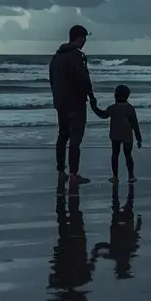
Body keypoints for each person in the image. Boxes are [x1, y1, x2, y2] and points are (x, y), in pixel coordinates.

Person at [49, 24, 101, 185]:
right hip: (76, 102)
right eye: (84, 38)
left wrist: (57, 98)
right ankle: (73, 174)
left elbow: (52, 80)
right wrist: (91, 98)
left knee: (62, 135)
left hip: (60, 102)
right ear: (79, 38)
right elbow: (83, 79)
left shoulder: (56, 57)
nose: (84, 42)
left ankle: (60, 172)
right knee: (75, 139)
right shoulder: (77, 56)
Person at [97, 83, 142, 183]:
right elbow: (135, 125)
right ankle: (131, 176)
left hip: (115, 135)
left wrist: (94, 107)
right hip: (127, 136)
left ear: (115, 95)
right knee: (128, 156)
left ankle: (115, 177)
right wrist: (139, 139)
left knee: (115, 156)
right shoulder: (130, 109)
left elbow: (102, 115)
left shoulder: (112, 108)